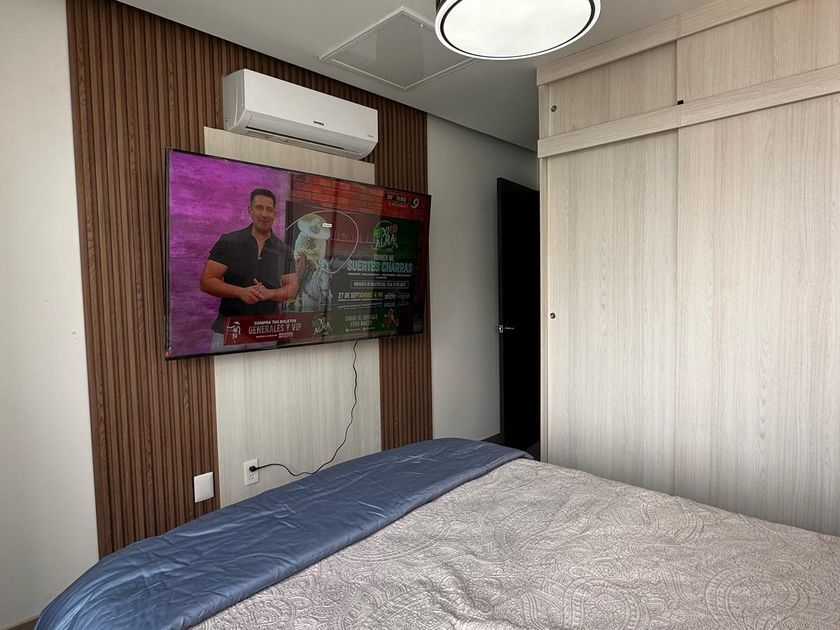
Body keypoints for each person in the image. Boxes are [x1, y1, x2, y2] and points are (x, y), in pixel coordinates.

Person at [200, 188, 299, 352]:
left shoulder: (284, 250)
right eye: (259, 208)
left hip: (266, 330)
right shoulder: (229, 242)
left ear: (274, 214)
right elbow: (206, 281)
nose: (264, 214)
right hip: (230, 329)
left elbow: (293, 289)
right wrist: (240, 292)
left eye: (269, 209)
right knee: (225, 369)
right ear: (250, 211)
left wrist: (270, 294)